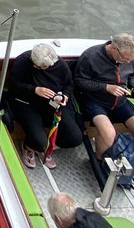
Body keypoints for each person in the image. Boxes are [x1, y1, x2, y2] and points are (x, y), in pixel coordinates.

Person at [74, 33, 134, 158]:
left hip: (120, 102)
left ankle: (126, 156)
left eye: (130, 59)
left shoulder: (129, 58)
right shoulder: (90, 56)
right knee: (108, 133)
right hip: (95, 101)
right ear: (113, 48)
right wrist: (106, 87)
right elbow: (79, 81)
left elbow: (131, 76)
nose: (128, 61)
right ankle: (99, 160)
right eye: (124, 58)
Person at [6, 42, 83, 170]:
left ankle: (46, 145)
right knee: (39, 141)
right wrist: (34, 90)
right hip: (27, 104)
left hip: (52, 105)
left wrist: (64, 96)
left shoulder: (61, 65)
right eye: (39, 67)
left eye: (45, 67)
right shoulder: (23, 61)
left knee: (75, 138)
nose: (42, 69)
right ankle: (30, 146)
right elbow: (14, 86)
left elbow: (69, 85)